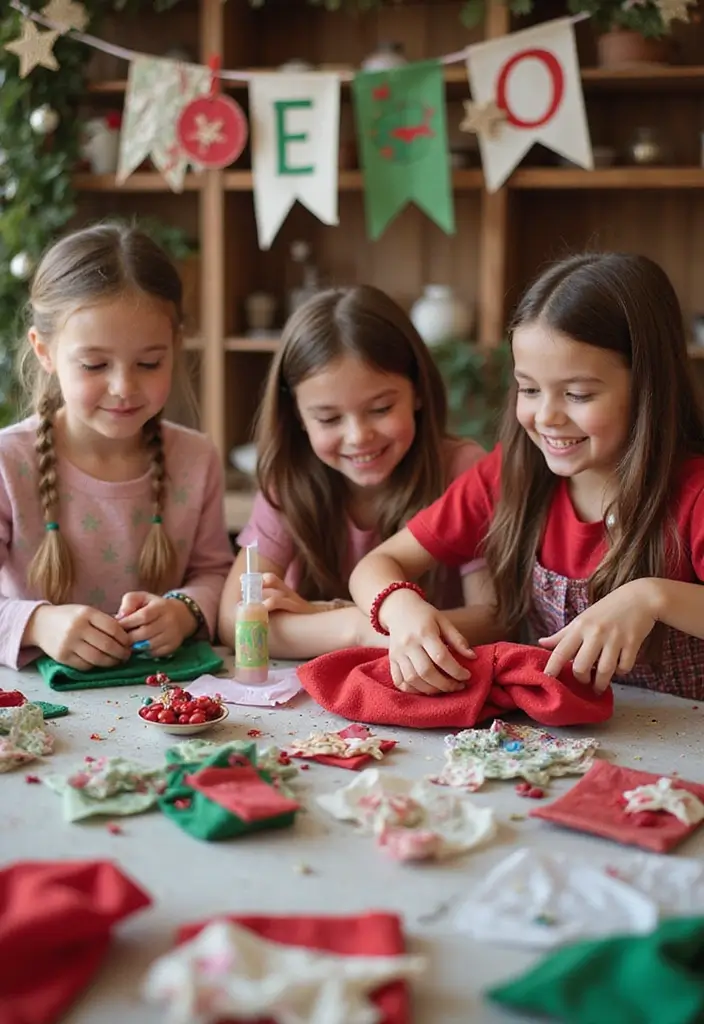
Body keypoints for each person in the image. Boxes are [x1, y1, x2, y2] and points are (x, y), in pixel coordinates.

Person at [349, 252, 704, 699]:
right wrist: (402, 609)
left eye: (577, 394)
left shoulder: (694, 493)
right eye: (530, 389)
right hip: (568, 741)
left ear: (647, 385)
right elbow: (376, 566)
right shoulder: (509, 474)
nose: (547, 416)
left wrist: (654, 597)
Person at [218, 284, 499, 659]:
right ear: (297, 415)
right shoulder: (289, 479)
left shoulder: (463, 471)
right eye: (329, 418)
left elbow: (495, 618)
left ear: (417, 390)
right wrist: (355, 626)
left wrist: (323, 619)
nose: (358, 436)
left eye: (381, 409)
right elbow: (235, 624)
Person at [0, 223, 233, 670]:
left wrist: (183, 612)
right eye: (95, 364)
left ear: (175, 346)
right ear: (44, 351)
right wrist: (37, 625)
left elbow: (215, 572)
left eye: (149, 362)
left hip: (167, 699)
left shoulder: (195, 458)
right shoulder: (10, 461)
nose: (124, 387)